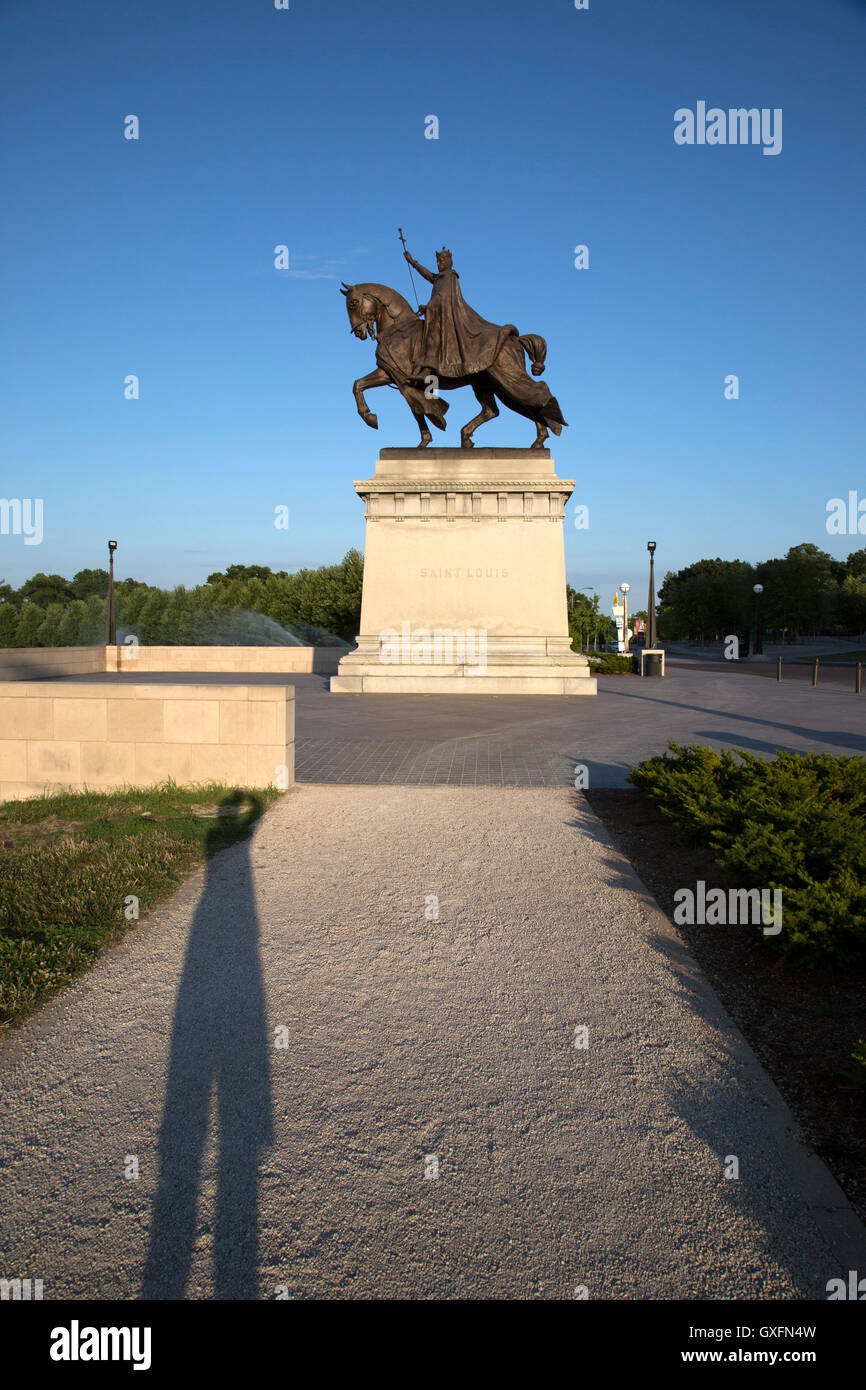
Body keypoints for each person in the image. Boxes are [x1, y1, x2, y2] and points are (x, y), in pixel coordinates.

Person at [403, 245, 514, 379]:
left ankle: (428, 370)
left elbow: (441, 296)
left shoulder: (450, 276)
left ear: (448, 262)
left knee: (433, 335)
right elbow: (429, 275)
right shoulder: (441, 277)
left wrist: (426, 307)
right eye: (437, 262)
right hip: (440, 314)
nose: (438, 264)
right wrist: (413, 262)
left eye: (441, 261)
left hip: (448, 317)